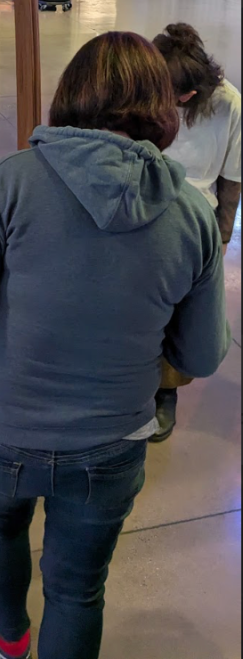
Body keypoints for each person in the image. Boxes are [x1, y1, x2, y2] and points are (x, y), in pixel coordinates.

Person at [0, 32, 230, 659]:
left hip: (0, 429)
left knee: (1, 525)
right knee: (77, 591)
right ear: (164, 109)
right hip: (110, 447)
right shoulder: (192, 217)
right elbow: (201, 357)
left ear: (71, 96)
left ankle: (9, 636)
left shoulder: (10, 184)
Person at [150, 23, 241, 442]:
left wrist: (222, 236)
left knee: (183, 314)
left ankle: (165, 392)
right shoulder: (144, 92)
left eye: (183, 96)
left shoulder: (229, 104)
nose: (178, 103)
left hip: (196, 217)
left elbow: (233, 177)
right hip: (144, 204)